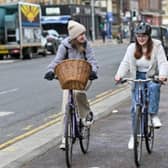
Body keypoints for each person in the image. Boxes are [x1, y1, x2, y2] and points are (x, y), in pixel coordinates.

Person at [44, 20, 99, 150]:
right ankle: (64, 139)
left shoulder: (87, 45)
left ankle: (86, 116)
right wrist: (50, 71)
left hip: (84, 77)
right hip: (68, 78)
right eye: (80, 34)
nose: (83, 36)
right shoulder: (64, 46)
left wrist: (93, 72)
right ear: (74, 36)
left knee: (78, 92)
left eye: (84, 34)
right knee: (65, 110)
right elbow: (57, 61)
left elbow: (92, 61)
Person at [114, 22, 168, 150]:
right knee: (135, 107)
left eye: (144, 35)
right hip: (136, 76)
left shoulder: (157, 46)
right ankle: (134, 135)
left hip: (151, 76)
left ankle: (153, 115)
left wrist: (162, 75)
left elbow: (163, 62)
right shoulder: (132, 48)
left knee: (154, 88)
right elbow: (125, 62)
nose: (141, 38)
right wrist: (119, 75)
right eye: (138, 36)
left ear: (149, 36)